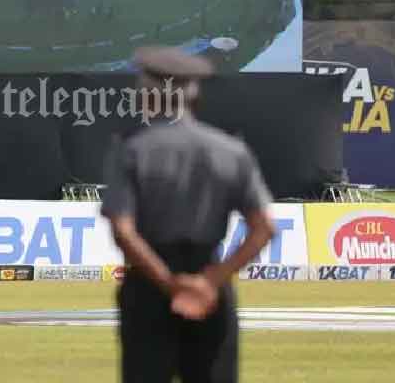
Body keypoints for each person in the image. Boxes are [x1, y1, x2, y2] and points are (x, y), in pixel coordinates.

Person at [101, 46, 276, 383]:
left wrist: (170, 284)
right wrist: (210, 281)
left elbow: (123, 230)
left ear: (148, 93)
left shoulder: (132, 149)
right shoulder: (231, 151)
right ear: (193, 93)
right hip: (210, 283)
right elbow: (264, 228)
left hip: (149, 285)